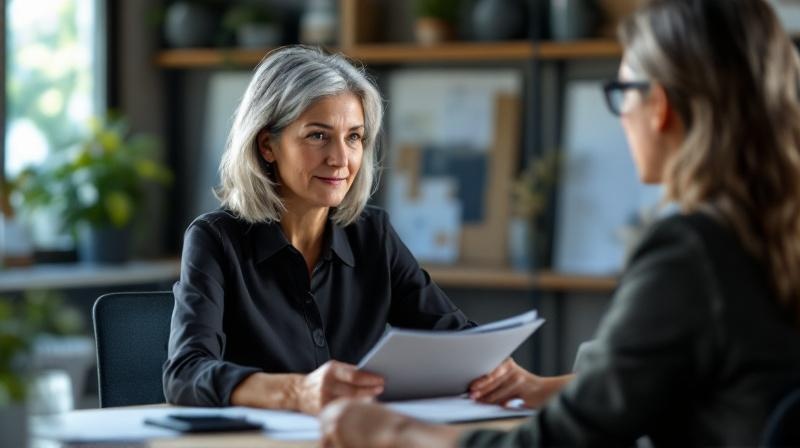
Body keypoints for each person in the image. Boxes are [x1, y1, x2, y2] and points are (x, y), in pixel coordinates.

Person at [320, 0, 800, 445]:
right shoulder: (772, 236)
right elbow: (680, 382)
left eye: (623, 92)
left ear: (659, 106)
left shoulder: (692, 253)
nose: (622, 116)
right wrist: (548, 390)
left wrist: (392, 432)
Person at [162, 46, 476, 414]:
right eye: (317, 136)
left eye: (354, 137)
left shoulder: (373, 234)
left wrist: (501, 373)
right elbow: (185, 374)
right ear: (267, 145)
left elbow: (457, 341)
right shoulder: (215, 240)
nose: (341, 159)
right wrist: (297, 392)